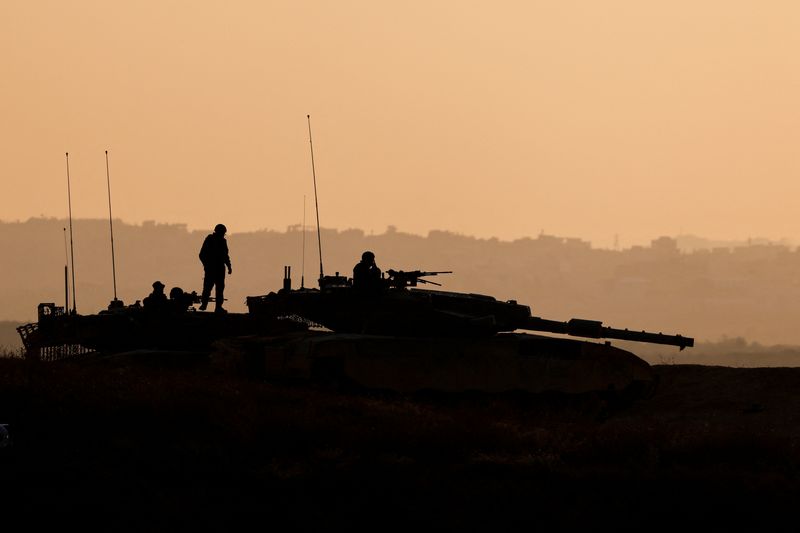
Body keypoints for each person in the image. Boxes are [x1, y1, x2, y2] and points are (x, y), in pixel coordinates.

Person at [199, 223, 232, 313]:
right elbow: (202, 254)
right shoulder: (210, 239)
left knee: (219, 289)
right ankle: (204, 304)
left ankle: (218, 307)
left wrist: (229, 266)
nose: (223, 235)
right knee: (208, 287)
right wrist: (207, 265)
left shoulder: (223, 241)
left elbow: (225, 256)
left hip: (220, 269)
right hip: (211, 268)